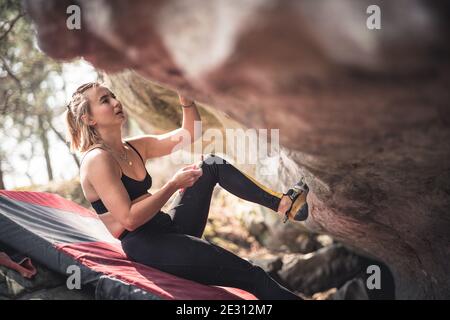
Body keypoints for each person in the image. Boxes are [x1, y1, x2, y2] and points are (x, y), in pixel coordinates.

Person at [65, 82, 309, 300]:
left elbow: (189, 134)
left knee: (211, 165)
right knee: (253, 276)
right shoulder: (97, 160)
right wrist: (173, 185)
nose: (117, 102)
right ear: (89, 119)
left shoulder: (134, 147)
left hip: (168, 227)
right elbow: (129, 219)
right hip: (147, 245)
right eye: (105, 101)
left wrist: (186, 100)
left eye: (113, 96)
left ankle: (283, 203)